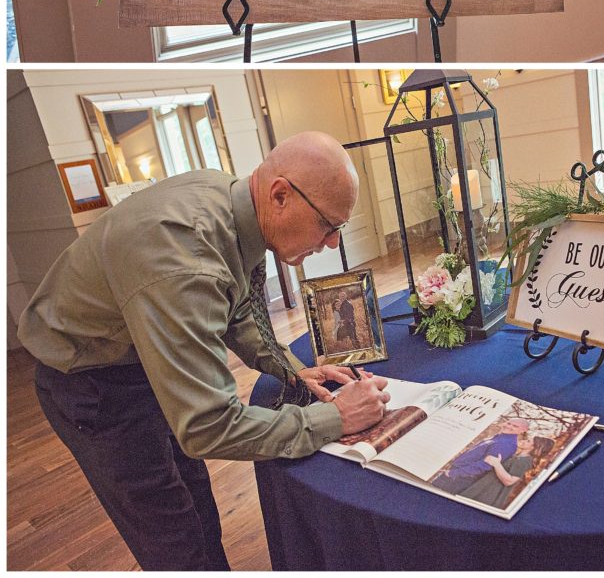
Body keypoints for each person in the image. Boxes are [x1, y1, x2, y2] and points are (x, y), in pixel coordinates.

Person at [17, 131, 390, 571]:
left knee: (195, 500)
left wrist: (289, 368)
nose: (331, 243)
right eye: (330, 225)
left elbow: (234, 307)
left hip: (134, 349)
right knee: (170, 533)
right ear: (280, 195)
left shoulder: (236, 203)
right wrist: (336, 418)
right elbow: (208, 426)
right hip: (90, 380)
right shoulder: (184, 259)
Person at [431, 417, 529, 497]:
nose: (509, 426)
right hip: (454, 474)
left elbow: (485, 465)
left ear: (523, 430)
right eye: (508, 423)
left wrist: (453, 473)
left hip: (459, 478)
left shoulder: (506, 443)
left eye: (515, 426)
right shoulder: (499, 437)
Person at [459, 434, 555, 511]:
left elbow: (509, 481)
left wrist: (497, 464)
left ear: (535, 447)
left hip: (488, 495)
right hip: (482, 488)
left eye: (528, 441)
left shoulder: (525, 461)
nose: (524, 441)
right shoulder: (517, 456)